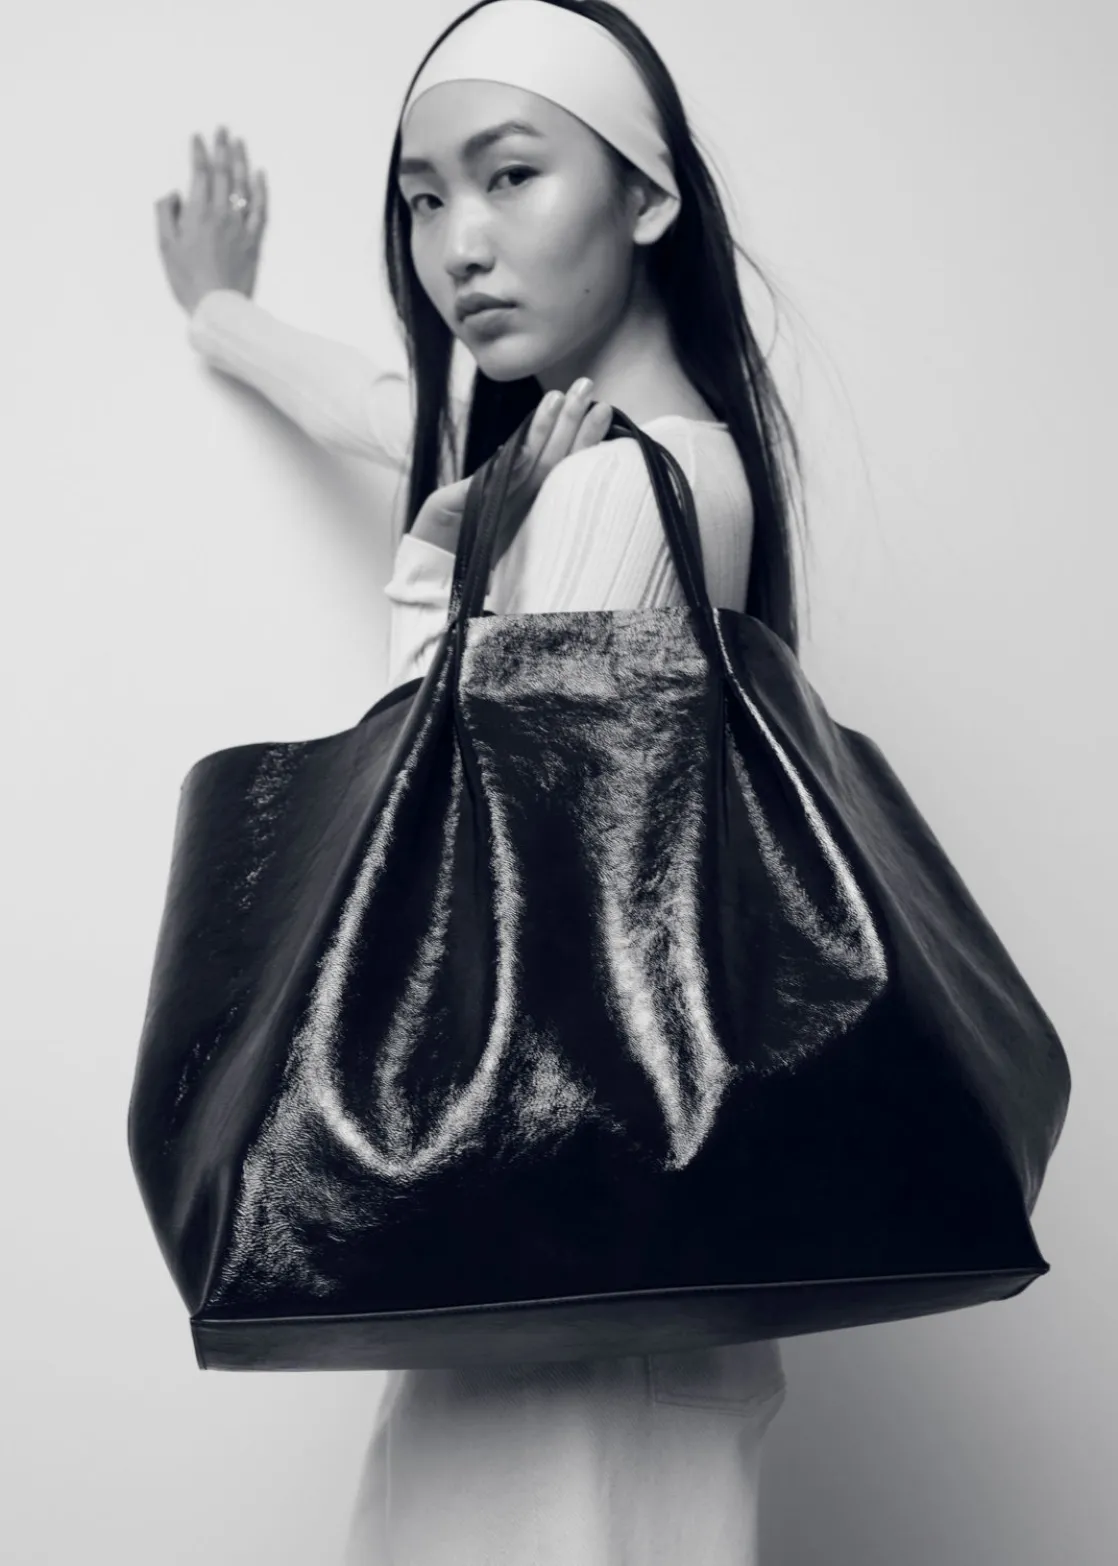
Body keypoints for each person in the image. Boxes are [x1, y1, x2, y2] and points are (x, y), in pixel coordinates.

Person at [155, 2, 806, 1560]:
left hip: (556, 1281)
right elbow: (379, 411)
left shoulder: (610, 488)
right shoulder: (670, 453)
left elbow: (460, 872)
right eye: (422, 196)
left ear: (645, 196)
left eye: (511, 176)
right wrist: (222, 308)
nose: (459, 243)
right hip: (603, 1257)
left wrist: (426, 585)